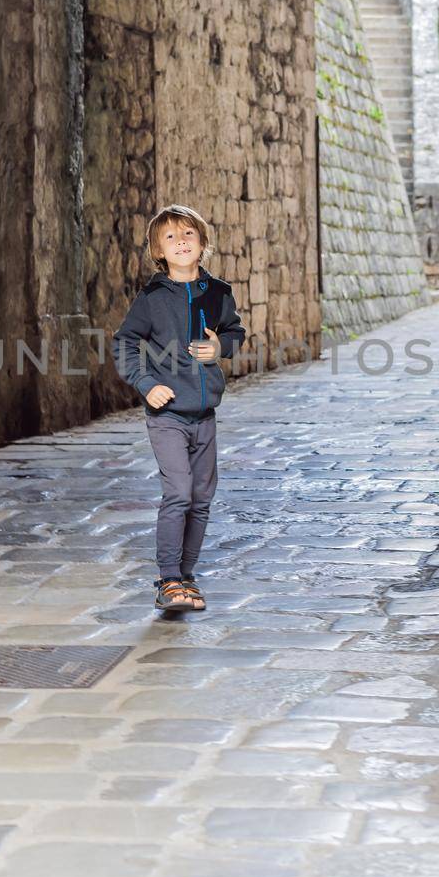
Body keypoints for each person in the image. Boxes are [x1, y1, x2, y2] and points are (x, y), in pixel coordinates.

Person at [112, 205, 247, 612]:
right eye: (170, 237)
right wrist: (146, 383)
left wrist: (221, 346)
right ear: (158, 250)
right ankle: (168, 578)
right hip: (167, 414)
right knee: (179, 493)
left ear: (202, 244)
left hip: (205, 415)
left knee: (203, 497)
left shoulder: (219, 293)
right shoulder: (152, 299)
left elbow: (235, 330)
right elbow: (124, 342)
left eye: (189, 234)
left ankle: (187, 577)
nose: (181, 241)